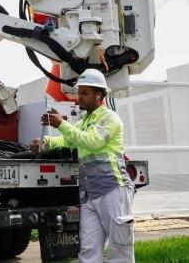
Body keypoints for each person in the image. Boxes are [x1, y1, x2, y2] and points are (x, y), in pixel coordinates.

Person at [31, 68, 135, 263]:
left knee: (120, 249)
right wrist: (44, 142)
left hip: (113, 189)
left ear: (99, 94)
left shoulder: (109, 118)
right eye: (79, 93)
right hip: (90, 194)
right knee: (88, 250)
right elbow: (67, 141)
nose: (80, 97)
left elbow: (91, 141)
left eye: (84, 93)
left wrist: (62, 123)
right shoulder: (83, 121)